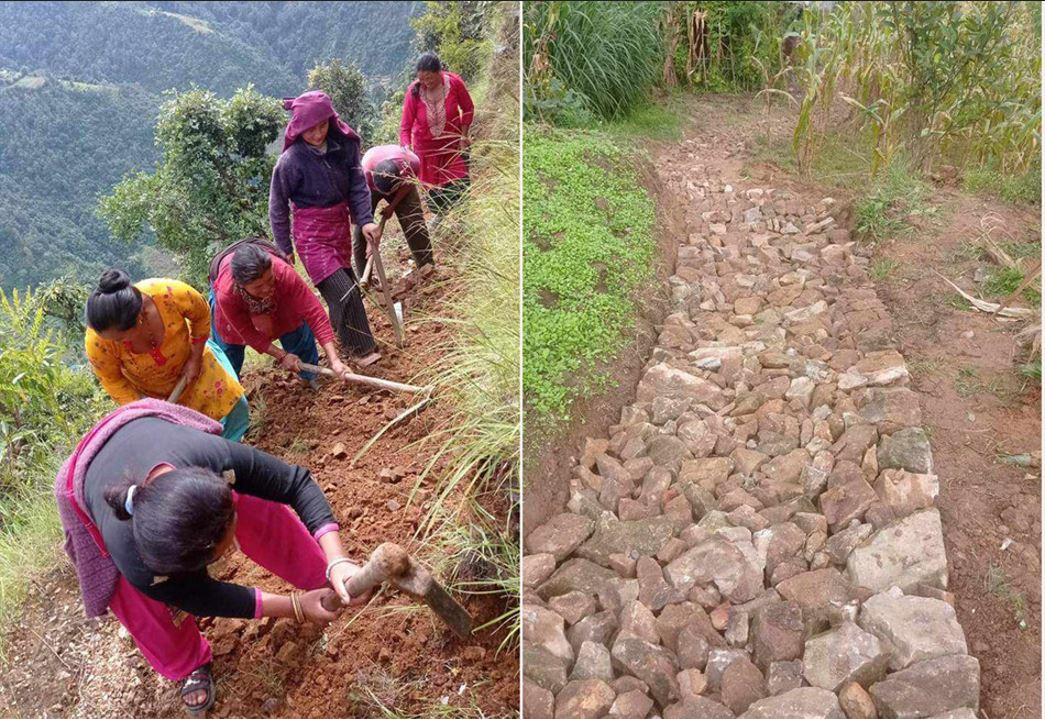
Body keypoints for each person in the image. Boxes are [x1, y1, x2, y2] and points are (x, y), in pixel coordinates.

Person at [54, 400, 368, 714]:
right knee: (138, 603)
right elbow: (203, 597)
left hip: (143, 431)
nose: (233, 550)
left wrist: (337, 559)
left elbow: (295, 483)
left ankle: (324, 575)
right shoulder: (135, 558)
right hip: (84, 480)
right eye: (223, 551)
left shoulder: (212, 458)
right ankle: (188, 664)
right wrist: (296, 607)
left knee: (255, 505)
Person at [269, 90, 383, 368]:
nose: (317, 134)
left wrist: (366, 219)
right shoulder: (290, 161)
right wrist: (284, 248)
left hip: (338, 226)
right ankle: (362, 351)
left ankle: (343, 339)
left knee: (345, 287)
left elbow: (357, 183)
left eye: (322, 126)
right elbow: (277, 206)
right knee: (345, 291)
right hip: (310, 235)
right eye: (310, 129)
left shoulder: (342, 146)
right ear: (297, 128)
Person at [85, 270, 249, 441]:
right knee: (189, 438)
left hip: (196, 366)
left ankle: (232, 446)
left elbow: (201, 315)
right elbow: (112, 380)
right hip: (156, 394)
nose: (115, 343)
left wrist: (195, 358)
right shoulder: (97, 342)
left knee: (235, 409)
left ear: (138, 319)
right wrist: (147, 410)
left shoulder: (170, 294)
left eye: (119, 338)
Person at [208, 240, 353, 387]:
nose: (266, 289)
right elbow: (246, 332)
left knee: (294, 327)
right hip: (230, 302)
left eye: (270, 280)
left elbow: (314, 313)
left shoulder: (282, 272)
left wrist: (334, 360)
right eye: (258, 287)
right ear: (241, 285)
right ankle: (232, 394)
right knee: (229, 349)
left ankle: (309, 377)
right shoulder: (226, 294)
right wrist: (282, 356)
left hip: (281, 292)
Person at [399, 52, 475, 220]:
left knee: (460, 186)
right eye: (422, 79)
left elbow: (468, 108)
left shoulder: (454, 84)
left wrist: (464, 135)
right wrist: (406, 150)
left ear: (439, 72)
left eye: (429, 78)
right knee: (435, 199)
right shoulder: (414, 91)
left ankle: (463, 224)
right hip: (426, 153)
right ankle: (440, 224)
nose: (426, 83)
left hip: (452, 147)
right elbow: (405, 127)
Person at [351, 144, 434, 285]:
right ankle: (365, 282)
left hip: (402, 181)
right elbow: (357, 212)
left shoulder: (411, 163)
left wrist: (393, 205)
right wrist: (368, 233)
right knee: (360, 237)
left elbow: (408, 185)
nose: (386, 196)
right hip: (369, 189)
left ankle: (427, 267)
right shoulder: (363, 176)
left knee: (413, 222)